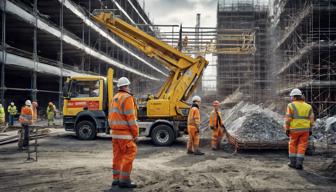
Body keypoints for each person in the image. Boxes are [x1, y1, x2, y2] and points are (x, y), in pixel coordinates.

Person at [109, 77, 138, 188]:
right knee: (130, 153)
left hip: (115, 133)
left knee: (118, 156)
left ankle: (116, 179)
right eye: (128, 86)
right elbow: (131, 118)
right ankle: (125, 180)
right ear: (126, 86)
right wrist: (135, 134)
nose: (129, 88)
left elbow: (111, 116)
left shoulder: (114, 97)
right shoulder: (127, 98)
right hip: (124, 133)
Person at [284, 88, 314, 170]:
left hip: (294, 129)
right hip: (305, 130)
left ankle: (292, 163)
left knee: (292, 144)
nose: (291, 98)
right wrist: (310, 129)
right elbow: (311, 120)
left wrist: (287, 129)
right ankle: (299, 163)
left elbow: (288, 119)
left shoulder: (291, 105)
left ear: (294, 97)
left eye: (291, 97)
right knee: (302, 145)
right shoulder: (308, 106)